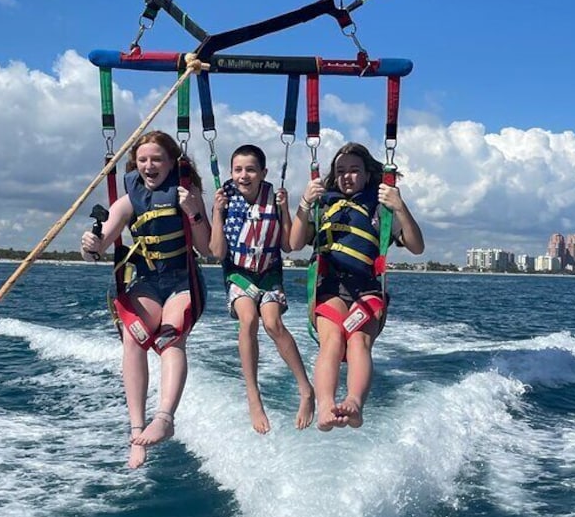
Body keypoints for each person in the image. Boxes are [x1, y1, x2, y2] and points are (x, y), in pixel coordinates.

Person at [80, 130, 211, 468]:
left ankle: (165, 419)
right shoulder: (128, 200)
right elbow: (102, 243)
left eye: (156, 160)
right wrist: (91, 247)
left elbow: (207, 248)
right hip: (149, 282)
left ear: (171, 163)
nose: (149, 166)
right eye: (142, 161)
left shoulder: (186, 194)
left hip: (183, 282)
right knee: (134, 338)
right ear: (134, 165)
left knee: (170, 339)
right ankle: (136, 429)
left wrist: (194, 211)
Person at [289, 142, 424, 431]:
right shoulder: (323, 205)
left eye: (354, 170)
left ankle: (354, 403)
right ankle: (325, 405)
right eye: (341, 171)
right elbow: (294, 243)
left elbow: (416, 246)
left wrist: (400, 206)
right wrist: (304, 203)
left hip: (367, 291)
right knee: (333, 341)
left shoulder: (381, 209)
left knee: (358, 341)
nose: (347, 176)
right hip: (329, 287)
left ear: (366, 174)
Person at [209, 144, 315, 434]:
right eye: (238, 170)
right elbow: (217, 253)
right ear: (231, 173)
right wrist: (217, 213)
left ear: (263, 172)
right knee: (249, 320)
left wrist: (285, 208)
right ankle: (253, 396)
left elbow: (288, 246)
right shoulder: (225, 199)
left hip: (268, 272)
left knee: (273, 323)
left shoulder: (274, 196)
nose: (244, 175)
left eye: (251, 169)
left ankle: (306, 390)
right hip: (239, 274)